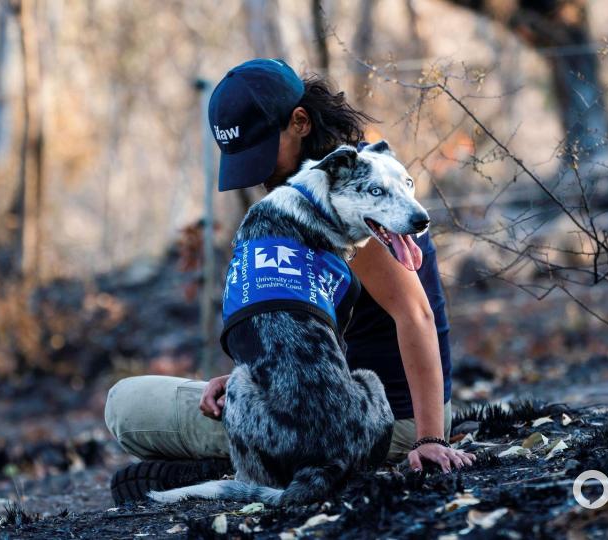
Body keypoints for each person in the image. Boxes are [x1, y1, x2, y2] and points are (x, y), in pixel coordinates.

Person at [104, 59, 473, 504]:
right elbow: (309, 324)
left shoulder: (344, 202)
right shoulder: (359, 174)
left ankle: (245, 473)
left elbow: (415, 313)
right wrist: (255, 370)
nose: (257, 175)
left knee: (126, 406)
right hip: (339, 406)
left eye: (261, 154)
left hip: (377, 425)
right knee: (197, 395)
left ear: (299, 122)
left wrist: (428, 440)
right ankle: (252, 464)